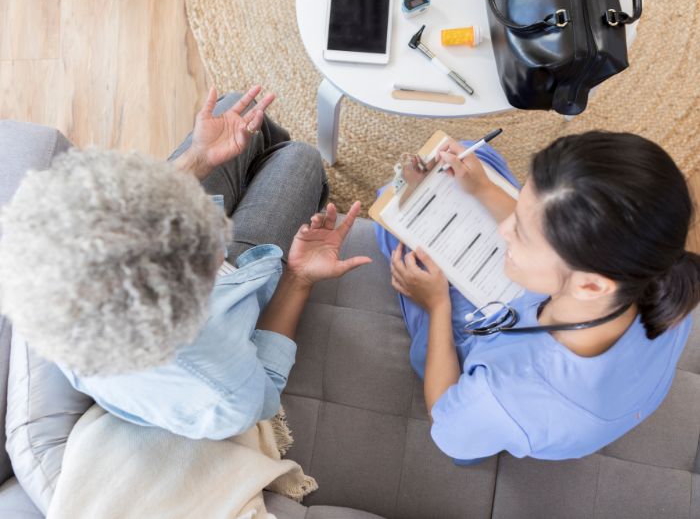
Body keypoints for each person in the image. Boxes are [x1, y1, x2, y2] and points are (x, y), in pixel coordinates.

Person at [0, 86, 371, 440]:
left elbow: (128, 213)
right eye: (209, 243)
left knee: (238, 109)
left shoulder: (52, 267)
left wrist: (198, 156)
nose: (214, 215)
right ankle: (277, 157)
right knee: (300, 157)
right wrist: (299, 278)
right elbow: (266, 385)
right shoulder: (225, 393)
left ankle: (262, 151)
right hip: (239, 283)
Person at [375, 131, 700, 462]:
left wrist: (437, 304)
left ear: (590, 285)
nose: (504, 230)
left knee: (393, 212)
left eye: (521, 234)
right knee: (474, 159)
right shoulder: (663, 269)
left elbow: (446, 423)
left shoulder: (504, 394)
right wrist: (483, 188)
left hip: (495, 411)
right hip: (574, 354)